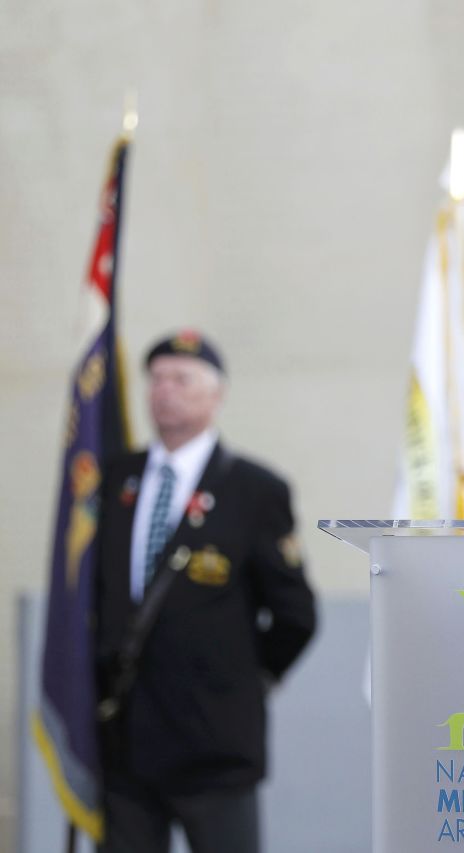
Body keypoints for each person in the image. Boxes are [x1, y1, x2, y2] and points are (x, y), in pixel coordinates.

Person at [93, 331, 316, 853]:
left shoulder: (254, 489)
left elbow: (296, 616)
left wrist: (243, 679)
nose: (163, 390)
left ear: (216, 396)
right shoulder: (114, 481)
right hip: (124, 744)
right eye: (156, 378)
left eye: (181, 379)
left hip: (213, 747)